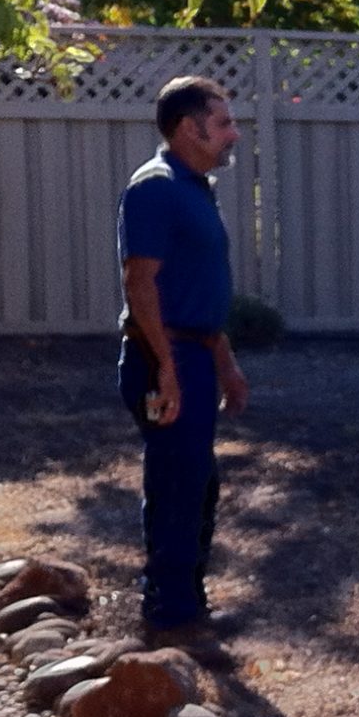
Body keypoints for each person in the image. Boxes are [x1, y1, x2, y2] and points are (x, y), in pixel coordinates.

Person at [117, 75, 252, 650]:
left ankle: (184, 601)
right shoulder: (154, 188)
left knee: (196, 483)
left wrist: (224, 362)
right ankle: (170, 615)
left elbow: (195, 291)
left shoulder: (195, 187)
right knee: (177, 483)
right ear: (187, 128)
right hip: (162, 360)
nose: (232, 133)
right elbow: (139, 284)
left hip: (193, 356)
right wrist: (167, 369)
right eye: (222, 123)